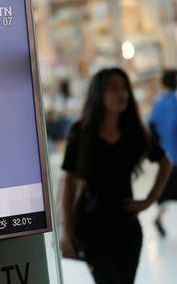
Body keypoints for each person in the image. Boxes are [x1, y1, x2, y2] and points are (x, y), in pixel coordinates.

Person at [59, 68, 172, 284]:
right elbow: (68, 182)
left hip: (126, 226)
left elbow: (165, 162)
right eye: (113, 88)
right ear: (98, 94)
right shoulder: (81, 132)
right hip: (91, 226)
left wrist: (149, 199)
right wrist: (66, 231)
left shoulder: (134, 131)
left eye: (124, 88)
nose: (121, 94)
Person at [147, 69, 177, 237]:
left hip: (167, 155)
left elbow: (151, 126)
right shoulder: (174, 101)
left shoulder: (158, 102)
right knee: (169, 190)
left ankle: (158, 217)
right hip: (175, 154)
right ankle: (158, 218)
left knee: (167, 190)